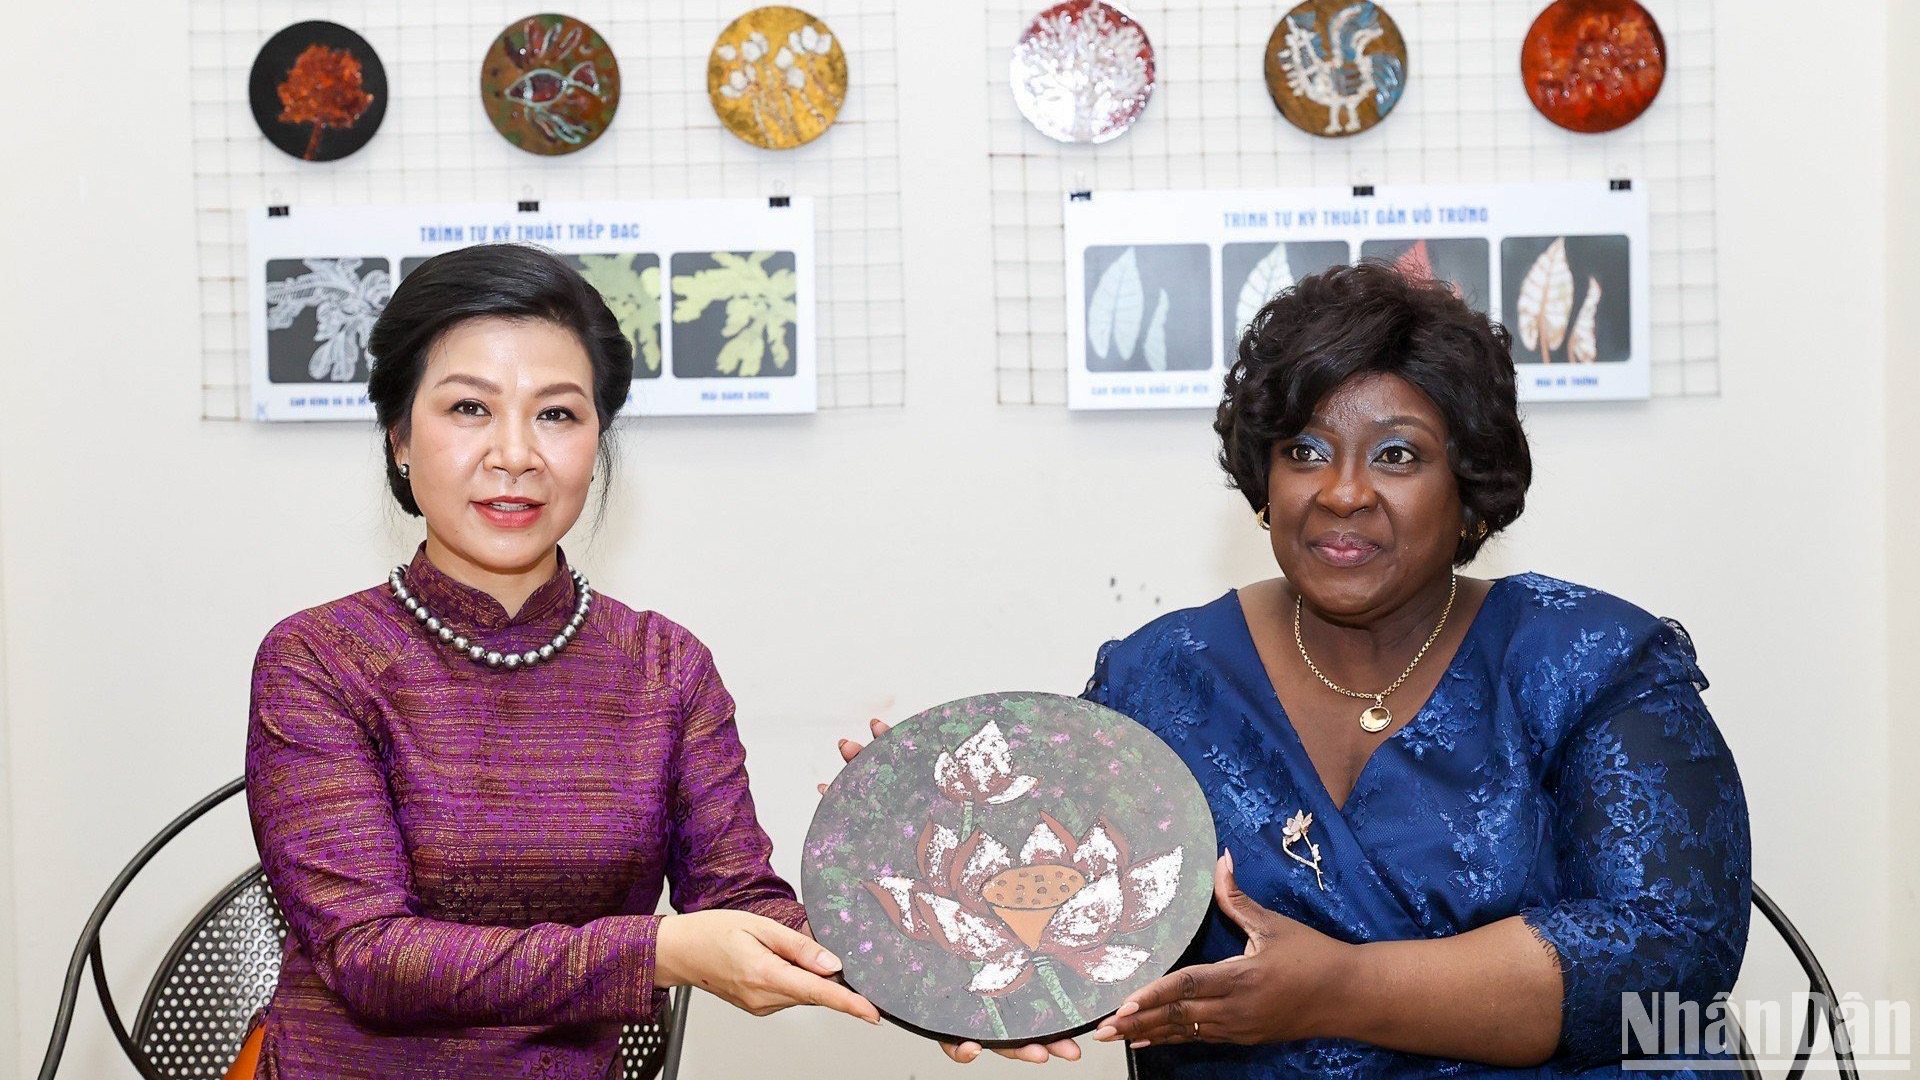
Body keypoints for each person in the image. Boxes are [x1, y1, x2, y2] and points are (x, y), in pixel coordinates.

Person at [839, 261, 1750, 1076]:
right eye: (1305, 451)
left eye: (1397, 454)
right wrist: (927, 854)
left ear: (1471, 487)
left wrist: (1339, 989)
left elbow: (1669, 957)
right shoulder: (1162, 679)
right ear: (1263, 482)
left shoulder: (1585, 661)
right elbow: (1073, 932)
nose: (1342, 491)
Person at [244, 244, 877, 1080]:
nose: (516, 454)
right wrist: (658, 950)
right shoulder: (320, 659)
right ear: (399, 437)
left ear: (597, 440)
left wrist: (901, 879)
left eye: (557, 414)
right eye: (469, 408)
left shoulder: (664, 666)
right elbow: (371, 957)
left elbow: (737, 905)